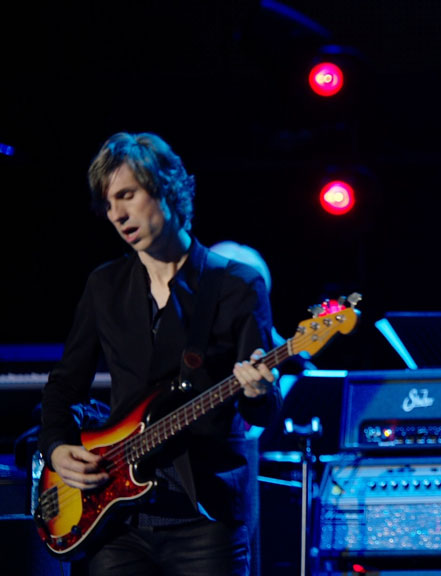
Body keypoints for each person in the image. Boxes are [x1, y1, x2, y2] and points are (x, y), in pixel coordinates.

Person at [39, 132, 281, 575]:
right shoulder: (104, 286)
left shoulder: (237, 285)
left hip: (204, 521)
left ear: (167, 189)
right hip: (114, 522)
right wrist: (55, 448)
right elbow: (65, 385)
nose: (116, 215)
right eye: (108, 204)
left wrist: (257, 391)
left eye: (127, 195)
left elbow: (262, 410)